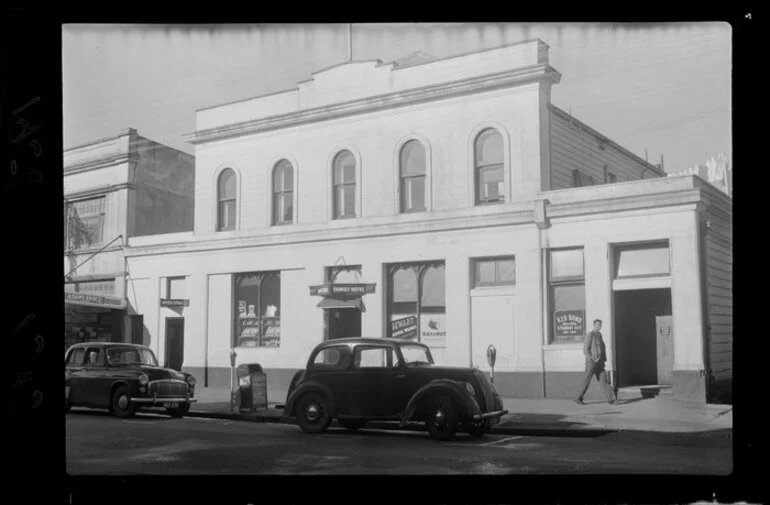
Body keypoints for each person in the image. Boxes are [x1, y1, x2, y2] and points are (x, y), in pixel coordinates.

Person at [574, 319, 621, 405]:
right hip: (591, 362)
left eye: (600, 325)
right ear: (594, 325)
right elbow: (585, 349)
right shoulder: (590, 335)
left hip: (599, 362)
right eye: (597, 325)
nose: (599, 326)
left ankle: (612, 400)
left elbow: (602, 348)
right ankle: (578, 398)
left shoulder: (599, 335)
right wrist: (591, 358)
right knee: (587, 380)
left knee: (604, 380)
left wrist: (603, 360)